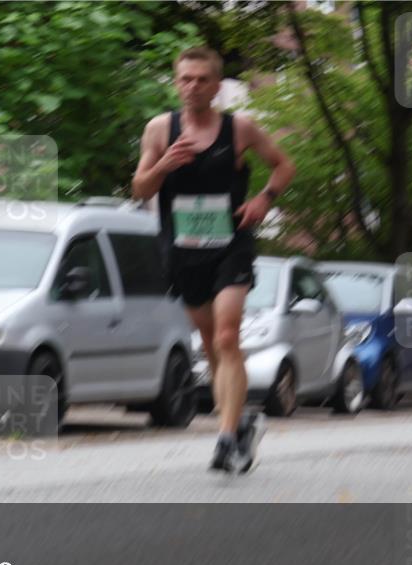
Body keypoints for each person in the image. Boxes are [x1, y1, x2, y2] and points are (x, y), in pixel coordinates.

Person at [132, 46, 295, 472]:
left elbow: (283, 165)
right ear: (176, 82)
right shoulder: (159, 130)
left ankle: (224, 440)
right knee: (210, 344)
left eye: (202, 79)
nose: (193, 86)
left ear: (217, 85)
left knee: (226, 337)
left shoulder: (239, 129)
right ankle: (239, 424)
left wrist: (264, 198)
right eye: (186, 79)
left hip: (231, 244)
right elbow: (140, 189)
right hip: (183, 250)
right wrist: (165, 164)